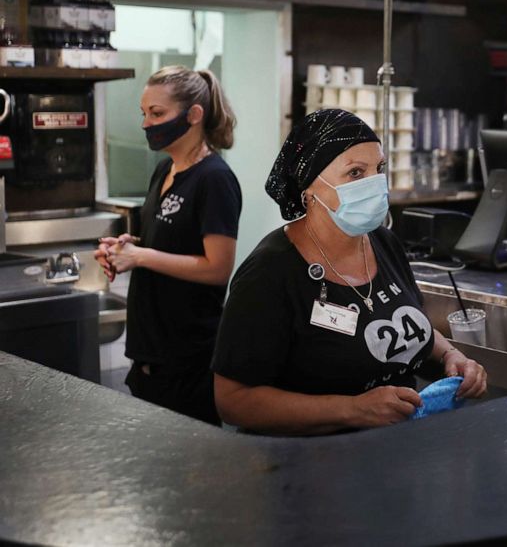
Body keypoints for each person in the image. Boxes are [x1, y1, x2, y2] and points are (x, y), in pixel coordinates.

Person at [211, 109, 486, 436]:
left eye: (378, 169)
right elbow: (233, 400)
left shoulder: (383, 243)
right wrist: (352, 410)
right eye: (355, 173)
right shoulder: (270, 272)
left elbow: (407, 322)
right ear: (310, 187)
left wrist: (450, 356)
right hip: (309, 465)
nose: (374, 184)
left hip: (392, 452)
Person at [95, 66, 241, 425]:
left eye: (157, 113)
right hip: (151, 349)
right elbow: (169, 241)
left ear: (194, 115)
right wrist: (126, 248)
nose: (146, 123)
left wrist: (141, 256)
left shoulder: (215, 180)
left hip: (188, 355)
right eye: (144, 113)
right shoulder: (164, 171)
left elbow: (217, 268)